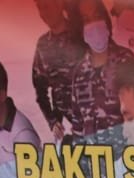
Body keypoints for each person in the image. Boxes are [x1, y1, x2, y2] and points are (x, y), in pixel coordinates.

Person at [62, 0, 134, 146]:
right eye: (86, 20)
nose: (94, 24)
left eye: (97, 16)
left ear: (105, 19)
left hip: (126, 157)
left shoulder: (127, 61)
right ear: (80, 28)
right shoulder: (79, 74)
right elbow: (78, 128)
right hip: (93, 158)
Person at [31, 0, 86, 143]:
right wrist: (52, 121)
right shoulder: (43, 45)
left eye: (47, 6)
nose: (43, 13)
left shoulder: (82, 35)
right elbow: (40, 90)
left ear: (60, 4)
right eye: (40, 8)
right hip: (65, 126)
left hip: (93, 123)